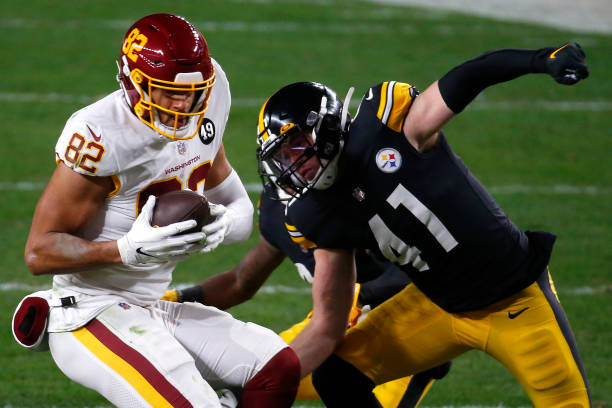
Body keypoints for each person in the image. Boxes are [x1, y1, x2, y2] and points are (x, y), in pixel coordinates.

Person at [255, 42, 591, 407]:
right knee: (336, 376)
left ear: (324, 126)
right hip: (438, 306)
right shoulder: (314, 213)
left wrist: (540, 59)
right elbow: (326, 327)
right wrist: (263, 383)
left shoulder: (388, 126)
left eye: (296, 146)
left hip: (516, 298)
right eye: (282, 156)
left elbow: (468, 77)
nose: (293, 163)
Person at [17, 13, 300, 408]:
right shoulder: (100, 134)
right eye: (167, 92)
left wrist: (227, 222)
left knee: (277, 368)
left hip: (151, 304)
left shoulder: (211, 92)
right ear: (133, 83)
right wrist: (124, 250)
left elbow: (234, 201)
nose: (183, 104)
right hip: (88, 311)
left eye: (192, 92)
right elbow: (38, 252)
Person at [163, 184, 452, 408]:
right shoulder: (279, 207)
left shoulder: (362, 193)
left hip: (398, 332)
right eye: (285, 153)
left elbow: (429, 263)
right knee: (251, 382)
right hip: (328, 329)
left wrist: (363, 295)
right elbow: (241, 281)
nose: (294, 164)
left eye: (302, 149)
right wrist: (174, 298)